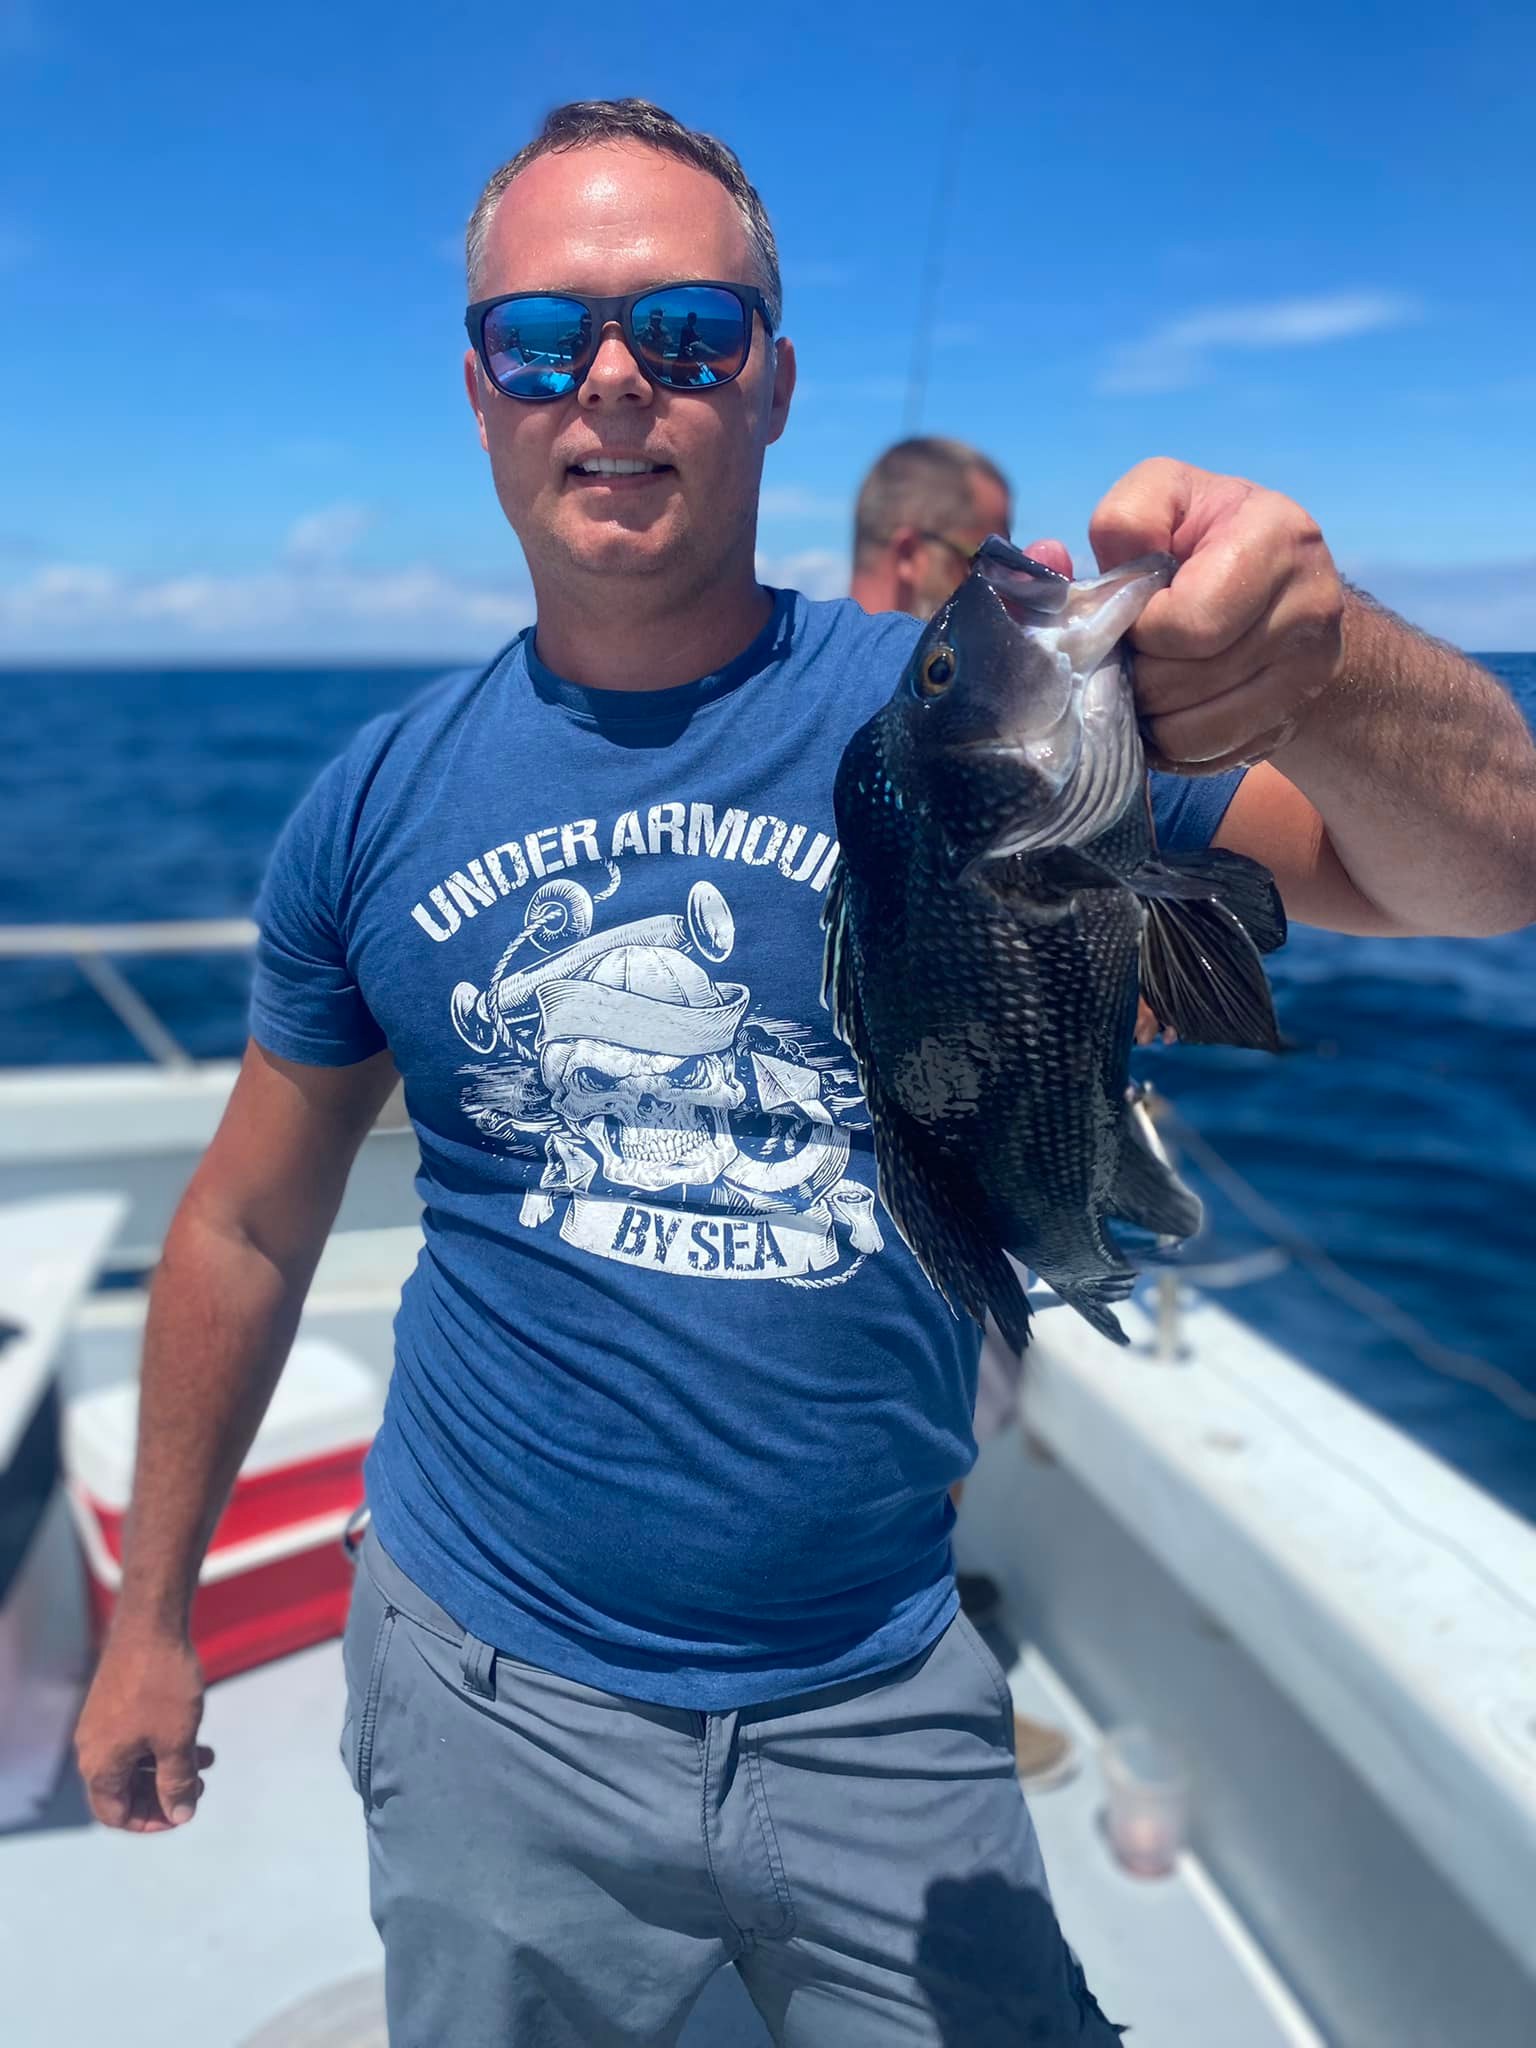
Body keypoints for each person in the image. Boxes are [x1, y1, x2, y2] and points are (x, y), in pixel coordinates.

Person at [74, 97, 1536, 2048]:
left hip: (882, 1683)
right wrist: (147, 1618)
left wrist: (1322, 662)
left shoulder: (963, 716)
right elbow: (249, 1227)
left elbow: (1488, 873)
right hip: (476, 1682)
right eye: (543, 338)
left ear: (771, 385)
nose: (613, 380)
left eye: (687, 330)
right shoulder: (372, 804)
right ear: (482, 393)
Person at [851, 434, 1078, 1790]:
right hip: (937, 1187)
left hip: (961, 1146)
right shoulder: (931, 735)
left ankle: (924, 1637)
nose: (1021, 575)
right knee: (927, 1448)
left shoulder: (901, 733)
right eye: (987, 561)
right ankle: (928, 1697)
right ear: (912, 557)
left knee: (937, 1441)